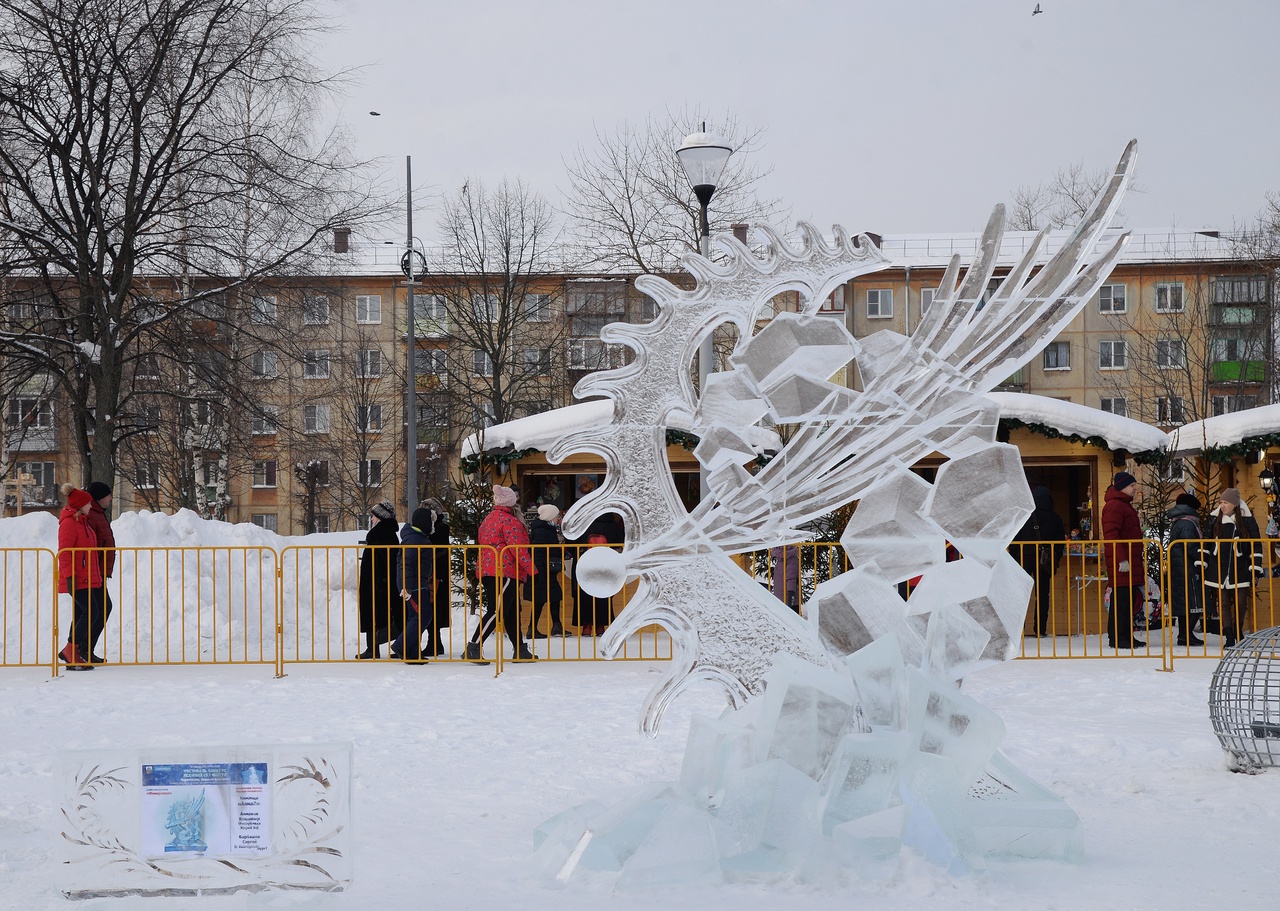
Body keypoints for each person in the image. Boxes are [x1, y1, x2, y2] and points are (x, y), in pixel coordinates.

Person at [468, 486, 535, 661]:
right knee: (496, 611)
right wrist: (532, 569)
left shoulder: (489, 519)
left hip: (490, 569)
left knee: (511, 611)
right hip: (505, 571)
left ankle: (519, 649)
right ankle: (473, 646)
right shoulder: (509, 521)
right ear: (511, 502)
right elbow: (518, 549)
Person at [1197, 488, 1264, 647]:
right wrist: (1203, 561)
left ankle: (1238, 631)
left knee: (1241, 602)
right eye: (1221, 502)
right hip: (1219, 565)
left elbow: (1256, 543)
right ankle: (1228, 636)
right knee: (1224, 602)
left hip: (1240, 566)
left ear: (1234, 504)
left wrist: (1255, 565)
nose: (1222, 505)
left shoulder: (1247, 520)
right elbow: (1206, 540)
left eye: (1226, 502)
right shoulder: (1214, 519)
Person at [57, 484, 103, 670]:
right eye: (88, 504)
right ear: (80, 505)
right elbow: (64, 552)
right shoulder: (69, 523)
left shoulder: (82, 522)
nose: (91, 506)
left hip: (86, 576)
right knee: (92, 612)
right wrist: (69, 577)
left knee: (80, 614)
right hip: (77, 577)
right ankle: (71, 649)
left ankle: (71, 652)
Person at [1012, 485, 1067, 636]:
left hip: (1023, 559)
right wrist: (1055, 559)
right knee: (1043, 596)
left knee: (1019, 596)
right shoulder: (1055, 518)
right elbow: (1059, 542)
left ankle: (1018, 631)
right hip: (1044, 562)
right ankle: (1040, 630)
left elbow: (1014, 539)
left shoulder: (1023, 516)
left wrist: (1015, 557)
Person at [1101, 471, 1145, 650]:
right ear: (1122, 487)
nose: (1135, 488)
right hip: (1123, 563)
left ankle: (1125, 636)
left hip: (1129, 561)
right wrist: (1122, 560)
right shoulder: (1115, 506)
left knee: (1126, 600)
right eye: (1132, 485)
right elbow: (1111, 535)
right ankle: (1120, 638)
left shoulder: (1123, 504)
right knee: (1122, 601)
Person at [390, 507, 437, 662]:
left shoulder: (417, 537)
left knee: (415, 616)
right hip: (412, 586)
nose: (433, 525)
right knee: (423, 616)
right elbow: (407, 563)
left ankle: (412, 652)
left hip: (416, 583)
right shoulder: (415, 539)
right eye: (431, 522)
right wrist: (406, 586)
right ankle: (401, 645)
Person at [356, 501, 401, 659]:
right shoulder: (386, 533)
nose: (372, 519)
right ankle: (378, 647)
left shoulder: (381, 534)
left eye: (374, 516)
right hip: (379, 580)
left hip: (377, 581)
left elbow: (384, 559)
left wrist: (381, 581)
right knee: (379, 612)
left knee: (374, 612)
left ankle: (373, 648)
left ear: (382, 517)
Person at [572, 511, 622, 636]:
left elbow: (571, 543)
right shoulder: (612, 524)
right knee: (603, 593)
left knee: (584, 594)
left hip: (585, 563)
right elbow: (620, 540)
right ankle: (601, 626)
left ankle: (586, 626)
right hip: (605, 564)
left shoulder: (583, 522)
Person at [1166, 492, 1205, 647]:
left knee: (1184, 604)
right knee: (1194, 603)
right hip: (1188, 568)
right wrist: (1202, 559)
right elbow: (1190, 546)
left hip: (1180, 567)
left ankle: (1184, 635)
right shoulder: (1188, 523)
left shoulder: (1179, 521)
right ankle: (1186, 635)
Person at [84, 481, 116, 662]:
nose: (111, 498)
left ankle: (83, 650)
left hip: (99, 570)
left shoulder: (97, 513)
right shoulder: (92, 515)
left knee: (96, 609)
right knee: (99, 609)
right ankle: (81, 650)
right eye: (108, 495)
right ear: (99, 497)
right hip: (93, 571)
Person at [418, 496, 452, 657]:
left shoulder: (439, 529)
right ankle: (435, 643)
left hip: (435, 575)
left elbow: (437, 551)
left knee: (433, 609)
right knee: (432, 608)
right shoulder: (438, 528)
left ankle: (434, 643)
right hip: (435, 574)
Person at [527, 504, 565, 638]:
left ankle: (556, 626)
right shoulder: (542, 530)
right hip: (543, 569)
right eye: (556, 516)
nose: (558, 519)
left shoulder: (546, 529)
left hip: (548, 569)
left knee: (555, 596)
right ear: (549, 517)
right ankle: (532, 629)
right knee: (540, 599)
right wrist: (539, 572)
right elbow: (538, 552)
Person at [770, 543, 801, 612]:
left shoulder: (779, 560)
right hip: (789, 598)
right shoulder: (792, 559)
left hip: (779, 597)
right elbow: (791, 578)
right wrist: (791, 594)